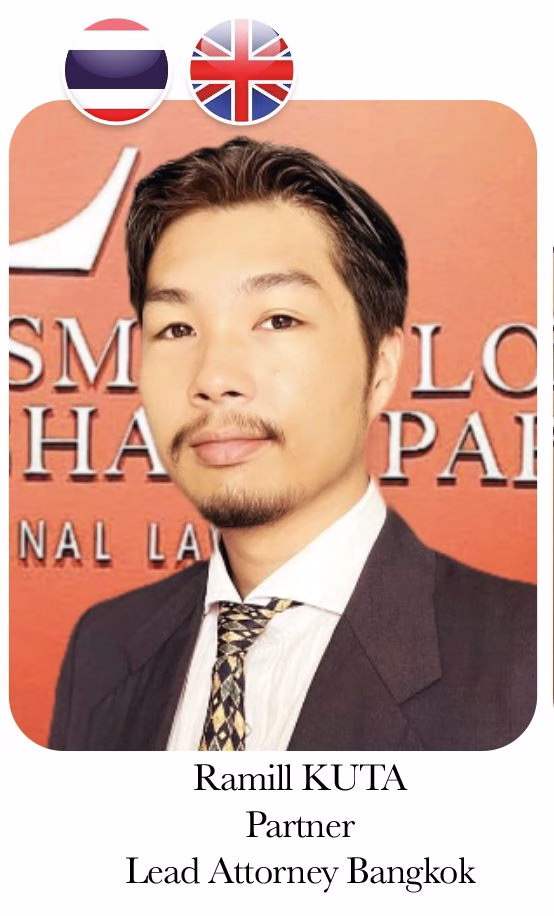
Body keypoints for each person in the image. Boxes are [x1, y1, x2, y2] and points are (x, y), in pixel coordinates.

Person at [49, 137, 535, 751]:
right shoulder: (104, 646)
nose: (214, 378)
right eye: (176, 327)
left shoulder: (525, 656)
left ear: (381, 367)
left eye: (278, 320)